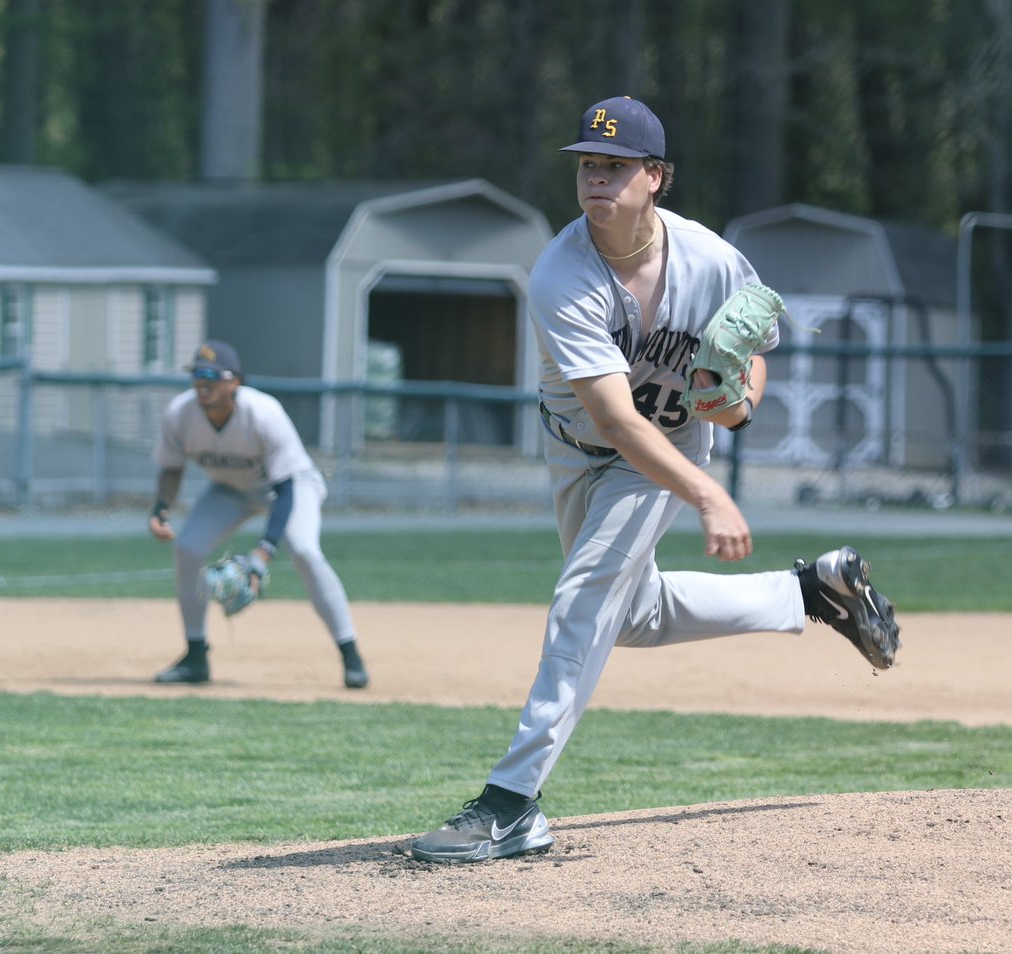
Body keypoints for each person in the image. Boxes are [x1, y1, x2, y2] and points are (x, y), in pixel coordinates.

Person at [409, 96, 900, 863]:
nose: (595, 177)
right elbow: (612, 421)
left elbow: (755, 357)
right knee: (629, 613)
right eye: (587, 165)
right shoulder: (560, 274)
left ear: (656, 177)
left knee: (583, 599)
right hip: (583, 449)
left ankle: (511, 803)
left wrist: (737, 408)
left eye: (614, 164)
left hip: (666, 447)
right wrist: (709, 495)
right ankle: (809, 592)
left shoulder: (711, 259)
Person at [148, 339, 370, 690]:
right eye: (197, 374)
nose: (203, 382)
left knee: (305, 552)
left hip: (291, 487)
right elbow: (171, 468)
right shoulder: (180, 414)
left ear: (235, 381)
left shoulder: (264, 413)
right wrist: (161, 508)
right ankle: (195, 657)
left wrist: (263, 552)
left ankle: (351, 655)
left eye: (212, 375)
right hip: (230, 490)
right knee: (188, 547)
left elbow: (284, 491)